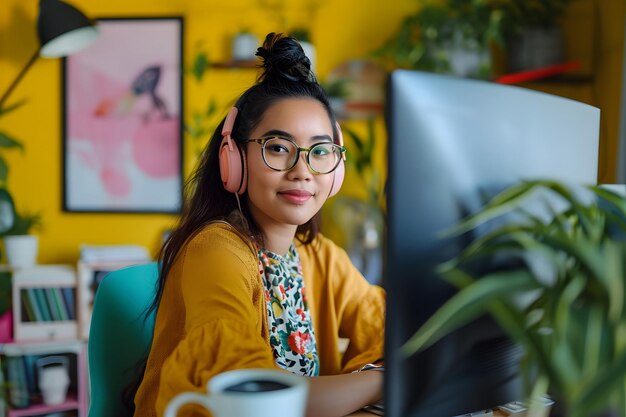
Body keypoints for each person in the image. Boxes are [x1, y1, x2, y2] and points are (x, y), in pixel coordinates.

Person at [133, 32, 385, 417]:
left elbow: (388, 327)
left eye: (320, 151)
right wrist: (383, 378)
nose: (302, 172)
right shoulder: (216, 251)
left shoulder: (321, 257)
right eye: (278, 148)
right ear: (233, 159)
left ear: (335, 169)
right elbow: (252, 400)